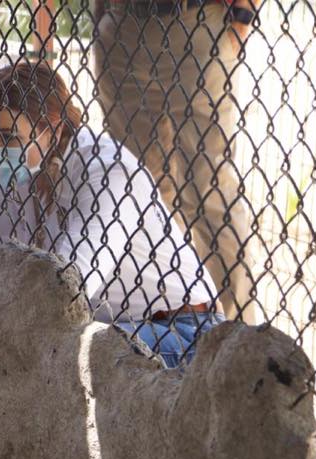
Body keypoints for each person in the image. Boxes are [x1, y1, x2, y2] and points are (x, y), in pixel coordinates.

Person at [0, 59, 225, 368]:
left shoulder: (107, 172)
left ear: (51, 130)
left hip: (181, 329)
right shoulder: (19, 173)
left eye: (8, 137)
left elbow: (68, 288)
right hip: (110, 330)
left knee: (62, 357)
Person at [93, 0, 261, 322]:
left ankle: (238, 344)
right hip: (121, 28)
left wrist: (243, 17)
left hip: (195, 23)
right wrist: (103, 20)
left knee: (210, 193)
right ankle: (169, 330)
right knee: (141, 194)